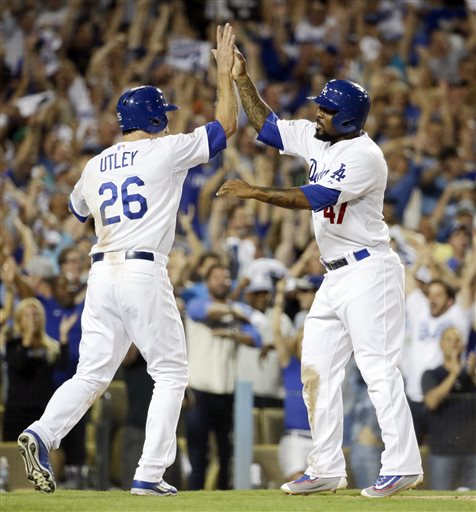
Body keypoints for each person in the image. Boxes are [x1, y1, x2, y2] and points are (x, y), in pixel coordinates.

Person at [17, 23, 238, 496]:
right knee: (172, 371)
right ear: (157, 118)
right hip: (141, 268)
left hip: (102, 273)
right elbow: (226, 128)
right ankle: (150, 474)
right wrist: (224, 75)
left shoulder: (94, 163)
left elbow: (78, 210)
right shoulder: (166, 149)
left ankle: (42, 432)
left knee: (92, 373)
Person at [217, 41, 423, 498]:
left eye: (327, 111)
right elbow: (265, 126)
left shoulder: (364, 157)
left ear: (347, 119)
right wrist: (239, 78)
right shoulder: (319, 137)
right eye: (321, 108)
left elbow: (312, 198)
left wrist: (253, 191)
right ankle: (326, 467)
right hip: (335, 276)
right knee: (316, 368)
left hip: (371, 272)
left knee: (377, 368)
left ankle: (403, 463)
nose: (318, 115)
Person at [185, 263, 261, 490]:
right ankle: (193, 499)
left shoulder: (237, 311)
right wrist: (233, 311)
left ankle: (223, 498)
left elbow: (255, 338)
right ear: (207, 282)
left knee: (226, 453)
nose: (222, 281)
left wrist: (231, 332)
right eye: (216, 277)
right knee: (198, 455)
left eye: (226, 277)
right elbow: (200, 313)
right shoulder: (198, 303)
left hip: (226, 393)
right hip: (199, 391)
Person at [422, 327, 476, 490]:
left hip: (473, 452)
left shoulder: (470, 376)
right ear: (440, 345)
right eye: (448, 339)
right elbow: (431, 402)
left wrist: (472, 375)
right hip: (442, 453)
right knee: (441, 502)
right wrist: (454, 374)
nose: (453, 343)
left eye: (457, 339)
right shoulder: (431, 374)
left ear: (463, 345)